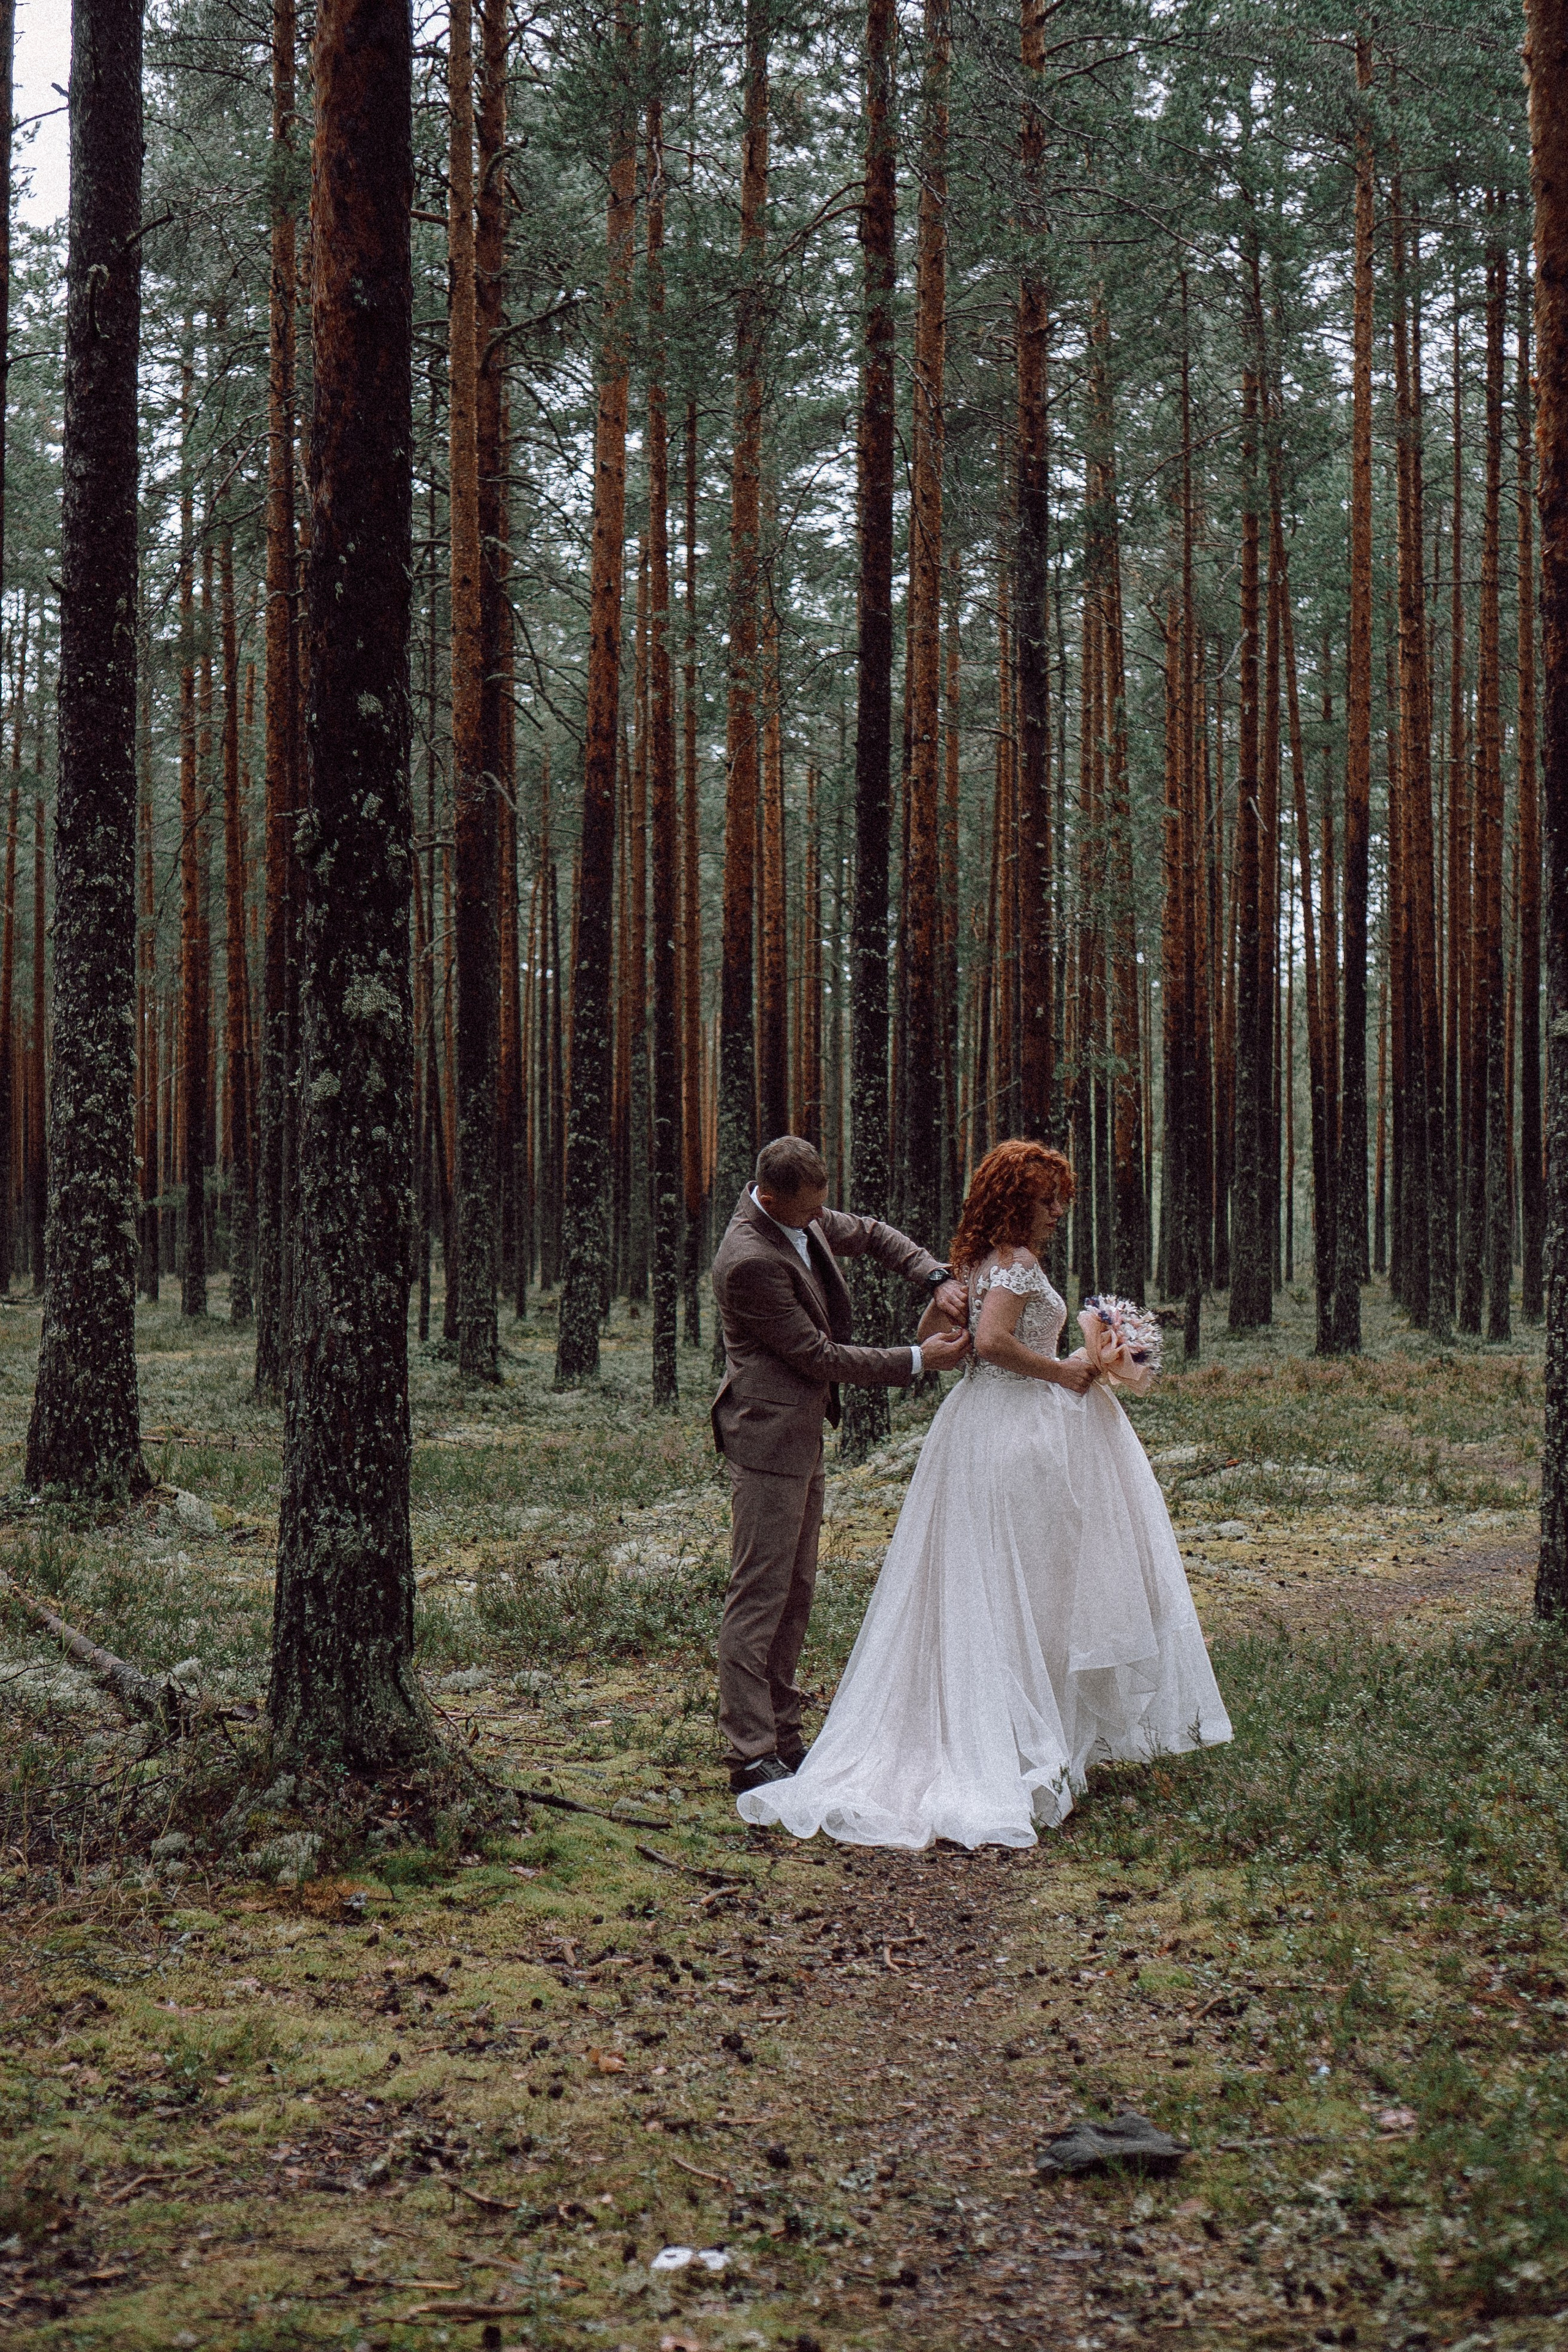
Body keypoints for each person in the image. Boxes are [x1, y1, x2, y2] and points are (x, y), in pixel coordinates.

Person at [736, 1138, 1233, 1849]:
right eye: (1045, 1200)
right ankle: (1010, 1738)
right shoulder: (1016, 1266)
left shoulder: (970, 1265)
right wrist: (1061, 1372)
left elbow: (933, 1328)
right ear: (1014, 1203)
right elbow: (995, 1343)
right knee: (1022, 1582)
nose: (1057, 1211)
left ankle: (1021, 1727)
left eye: (1060, 1198)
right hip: (1013, 1432)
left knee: (994, 1581)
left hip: (974, 1428)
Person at [709, 1136, 972, 1796]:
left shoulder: (803, 1214)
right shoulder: (748, 1261)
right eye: (806, 1211)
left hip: (801, 1437)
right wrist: (918, 1361)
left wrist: (934, 1275)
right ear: (768, 1197)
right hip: (767, 1442)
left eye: (821, 1207)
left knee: (795, 1593)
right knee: (759, 1594)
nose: (818, 1219)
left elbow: (876, 1234)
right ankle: (749, 1752)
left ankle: (784, 1733)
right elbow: (817, 1355)